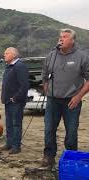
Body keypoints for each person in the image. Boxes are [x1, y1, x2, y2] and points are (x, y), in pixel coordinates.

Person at [41, 28, 89, 167]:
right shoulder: (51, 55)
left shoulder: (82, 56)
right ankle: (49, 156)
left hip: (71, 101)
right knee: (49, 129)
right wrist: (48, 91)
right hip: (52, 100)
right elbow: (44, 77)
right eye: (60, 36)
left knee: (72, 131)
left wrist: (79, 96)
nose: (61, 39)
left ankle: (71, 157)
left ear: (72, 40)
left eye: (65, 37)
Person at [0, 47, 29, 154]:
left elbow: (24, 85)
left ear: (13, 55)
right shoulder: (9, 66)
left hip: (16, 102)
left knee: (16, 124)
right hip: (7, 101)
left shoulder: (20, 66)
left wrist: (15, 97)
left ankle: (16, 146)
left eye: (6, 53)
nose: (4, 55)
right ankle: (9, 143)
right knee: (9, 123)